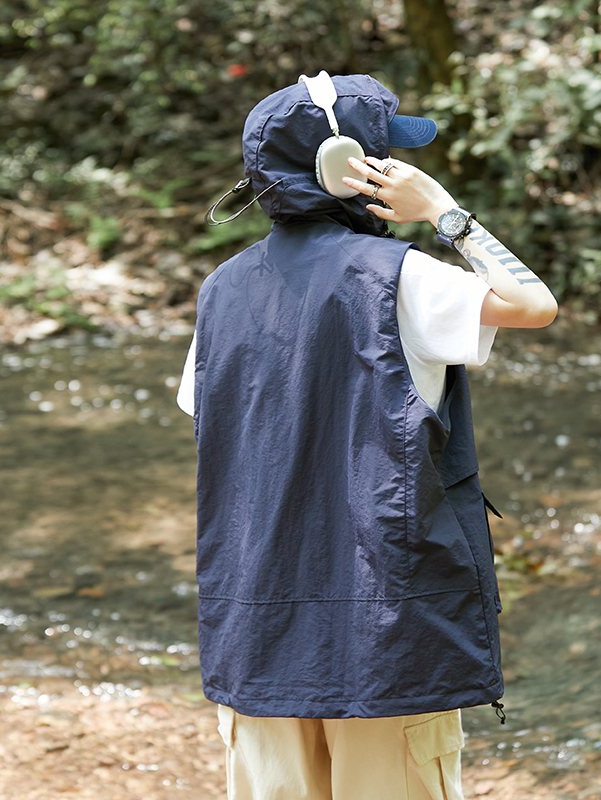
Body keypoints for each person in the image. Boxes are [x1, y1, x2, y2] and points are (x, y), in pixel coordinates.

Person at [177, 72, 557, 800]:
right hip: (388, 641)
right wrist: (445, 211)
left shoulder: (219, 291)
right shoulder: (401, 277)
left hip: (257, 633)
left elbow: (212, 422)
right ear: (348, 166)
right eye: (387, 153)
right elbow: (534, 303)